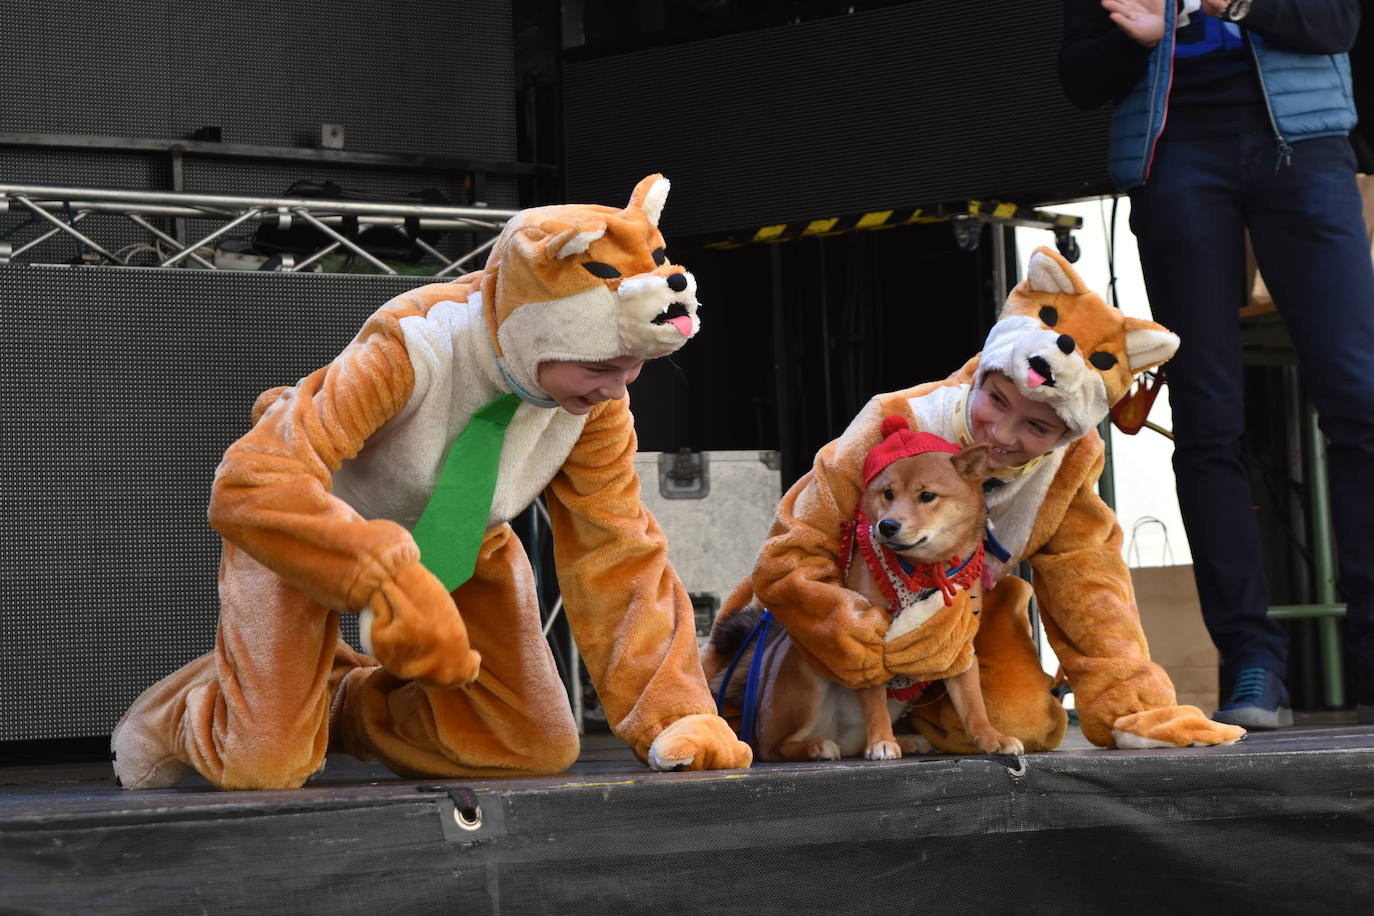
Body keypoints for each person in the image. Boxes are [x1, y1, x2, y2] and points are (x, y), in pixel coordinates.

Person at [111, 174, 752, 790]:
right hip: (312, 524)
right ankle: (185, 712)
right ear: (543, 327)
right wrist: (388, 578)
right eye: (601, 367)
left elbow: (618, 553)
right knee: (263, 765)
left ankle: (331, 700)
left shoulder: (600, 405)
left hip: (464, 533)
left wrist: (676, 714)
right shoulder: (415, 341)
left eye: (635, 366)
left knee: (527, 744)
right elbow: (252, 480)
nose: (616, 387)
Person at [704, 247, 1247, 753]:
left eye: (1036, 426)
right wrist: (840, 624)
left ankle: (917, 716)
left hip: (962, 609)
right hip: (854, 609)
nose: (1001, 436)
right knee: (792, 681)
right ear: (985, 372)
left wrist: (1135, 706)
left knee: (1023, 726)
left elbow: (1092, 587)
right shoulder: (896, 421)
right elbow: (793, 550)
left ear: (1067, 434)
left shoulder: (1070, 464)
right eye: (996, 400)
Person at [1059, 0, 1374, 728]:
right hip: (1175, 154)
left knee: (1358, 401)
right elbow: (1078, 77)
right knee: (1206, 419)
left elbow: (1337, 25)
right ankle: (1251, 660)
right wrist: (1140, 39)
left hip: (1302, 147)